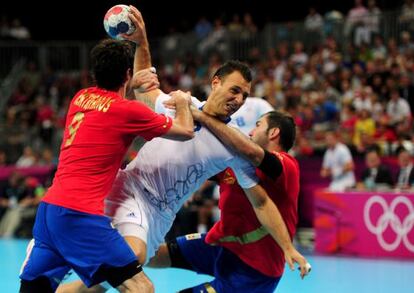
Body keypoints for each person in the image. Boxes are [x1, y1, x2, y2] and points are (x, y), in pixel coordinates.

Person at [58, 7, 309, 293]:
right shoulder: (181, 104)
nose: (239, 99)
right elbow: (145, 87)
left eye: (244, 95)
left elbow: (261, 202)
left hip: (161, 215)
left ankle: (62, 270)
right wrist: (141, 42)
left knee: (103, 283)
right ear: (216, 82)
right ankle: (63, 254)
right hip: (134, 189)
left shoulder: (233, 145)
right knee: (132, 260)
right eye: (234, 90)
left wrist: (288, 248)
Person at [19, 5, 195, 292]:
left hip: (49, 211)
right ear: (126, 75)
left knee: (35, 289)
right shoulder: (128, 112)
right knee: (140, 287)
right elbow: (186, 132)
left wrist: (132, 80)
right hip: (80, 216)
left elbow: (111, 96)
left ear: (94, 73)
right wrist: (184, 102)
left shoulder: (80, 97)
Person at [149, 110, 306, 292]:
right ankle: (108, 275)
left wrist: (203, 116)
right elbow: (197, 166)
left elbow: (249, 150)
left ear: (274, 133)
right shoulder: (237, 163)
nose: (250, 132)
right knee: (154, 254)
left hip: (254, 269)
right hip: (222, 245)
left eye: (258, 125)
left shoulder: (287, 166)